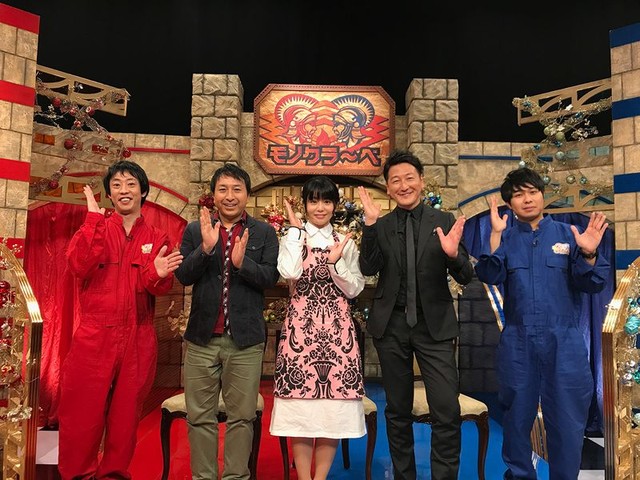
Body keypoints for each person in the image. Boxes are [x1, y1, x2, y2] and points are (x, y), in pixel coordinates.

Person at [475, 167, 610, 480]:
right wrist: (495, 237)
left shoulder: (568, 235)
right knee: (516, 419)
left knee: (567, 420)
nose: (527, 199)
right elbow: (490, 274)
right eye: (518, 195)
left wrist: (588, 253)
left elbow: (592, 283)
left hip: (564, 342)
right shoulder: (507, 238)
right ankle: (520, 475)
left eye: (532, 192)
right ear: (509, 204)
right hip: (518, 342)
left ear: (542, 195)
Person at [58, 160, 183, 480]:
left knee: (126, 417)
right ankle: (77, 475)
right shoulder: (96, 228)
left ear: (143, 191)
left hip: (138, 336)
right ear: (110, 194)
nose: (124, 190)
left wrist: (157, 273)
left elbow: (158, 287)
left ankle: (113, 474)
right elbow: (79, 266)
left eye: (130, 184)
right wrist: (92, 221)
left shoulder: (157, 236)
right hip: (94, 334)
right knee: (81, 413)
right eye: (116, 185)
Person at [357, 149, 474, 480]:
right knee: (397, 410)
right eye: (396, 180)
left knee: (446, 409)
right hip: (392, 326)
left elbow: (466, 275)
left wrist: (453, 255)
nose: (403, 185)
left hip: (434, 325)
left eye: (409, 178)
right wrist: (369, 226)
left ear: (421, 181)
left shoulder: (444, 221)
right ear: (388, 187)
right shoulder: (380, 225)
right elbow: (367, 268)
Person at [175, 163, 280, 480]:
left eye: (237, 189)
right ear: (213, 195)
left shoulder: (263, 232)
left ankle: (236, 477)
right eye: (223, 189)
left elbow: (270, 277)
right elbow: (183, 275)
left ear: (247, 194)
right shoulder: (196, 230)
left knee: (242, 418)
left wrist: (242, 263)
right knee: (199, 417)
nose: (230, 196)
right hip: (202, 339)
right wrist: (205, 249)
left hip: (245, 341)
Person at [270, 176, 366, 480]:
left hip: (338, 333)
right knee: (300, 412)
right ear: (305, 204)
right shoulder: (293, 237)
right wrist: (295, 232)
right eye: (313, 201)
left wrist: (336, 264)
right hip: (300, 331)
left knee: (331, 414)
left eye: (326, 201)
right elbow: (288, 272)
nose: (320, 207)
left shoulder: (345, 241)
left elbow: (355, 288)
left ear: (335, 205)